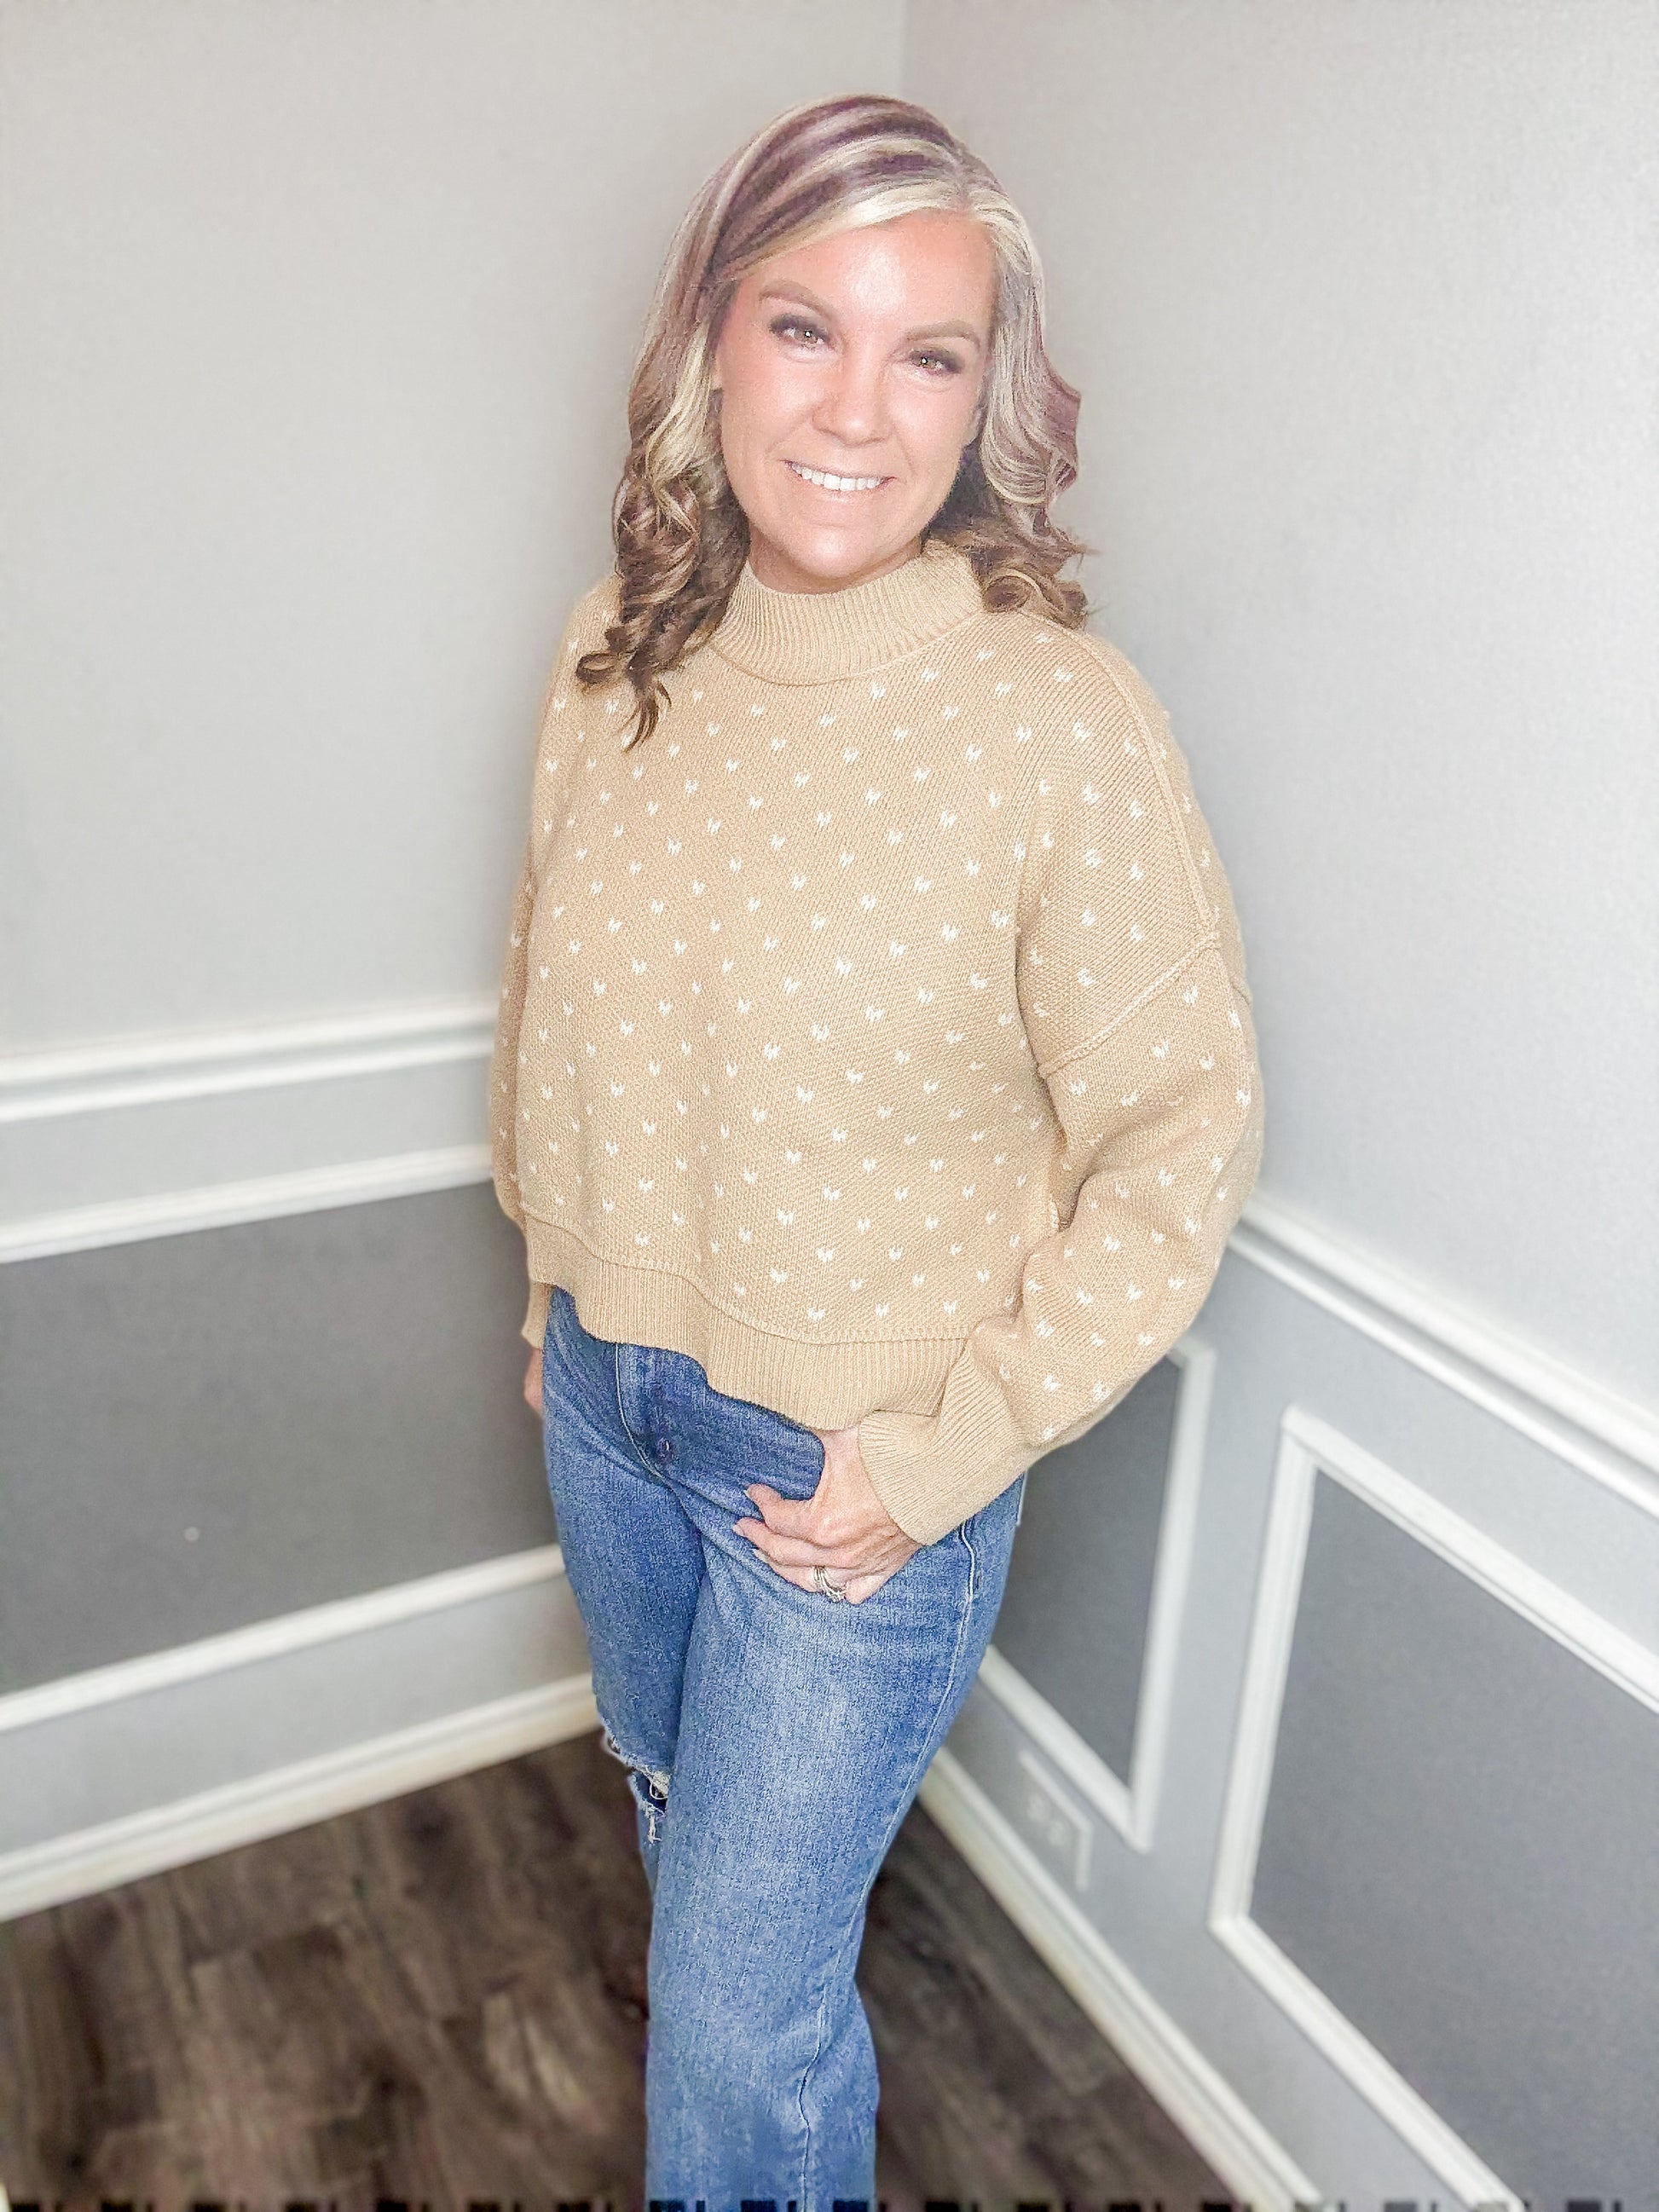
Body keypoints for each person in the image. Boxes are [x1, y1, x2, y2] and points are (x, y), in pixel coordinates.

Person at [487, 90, 1263, 2210]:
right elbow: (550, 985)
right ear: (710, 344)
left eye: (928, 353)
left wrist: (951, 1447)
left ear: (984, 397)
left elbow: (1180, 1134)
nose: (855, 408)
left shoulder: (1056, 718)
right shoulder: (610, 653)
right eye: (802, 326)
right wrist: (553, 1278)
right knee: (687, 1858)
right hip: (608, 1410)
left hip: (851, 1482)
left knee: (733, 2028)